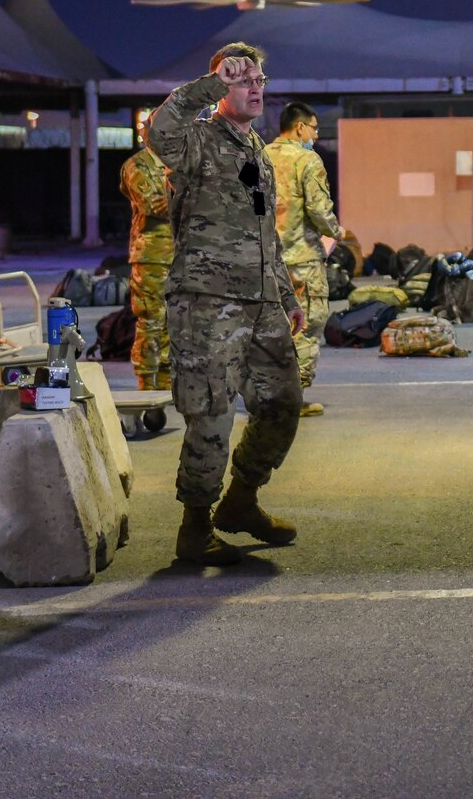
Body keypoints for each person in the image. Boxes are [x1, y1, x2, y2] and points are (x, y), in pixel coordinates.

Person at [148, 42, 308, 567]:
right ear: (223, 88)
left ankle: (240, 501)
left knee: (283, 405)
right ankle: (195, 526)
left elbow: (265, 231)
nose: (257, 87)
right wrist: (212, 81)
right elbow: (159, 131)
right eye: (245, 80)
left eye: (260, 79)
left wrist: (283, 294)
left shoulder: (255, 148)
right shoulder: (198, 140)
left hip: (262, 303)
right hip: (207, 302)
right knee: (211, 414)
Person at [266, 103, 341, 419]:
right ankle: (292, 398)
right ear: (299, 128)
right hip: (302, 261)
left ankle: (267, 396)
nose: (315, 135)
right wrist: (338, 231)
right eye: (314, 128)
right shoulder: (307, 160)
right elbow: (319, 211)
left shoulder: (259, 156)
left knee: (268, 329)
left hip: (264, 261)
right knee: (306, 326)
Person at [119, 121, 173, 391]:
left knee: (172, 323)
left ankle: (165, 381)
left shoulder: (175, 164)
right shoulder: (137, 165)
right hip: (151, 256)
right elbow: (151, 204)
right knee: (151, 320)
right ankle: (146, 382)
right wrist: (188, 194)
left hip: (177, 255)